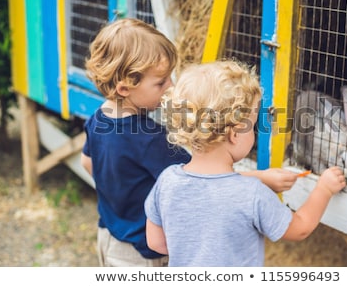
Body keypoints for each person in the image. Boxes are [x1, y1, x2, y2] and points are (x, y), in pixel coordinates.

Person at [80, 18, 298, 267]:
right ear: (124, 88)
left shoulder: (99, 119)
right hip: (146, 250)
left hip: (109, 237)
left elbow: (87, 163)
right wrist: (263, 178)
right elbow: (205, 181)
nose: (171, 86)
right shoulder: (149, 139)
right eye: (160, 82)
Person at [144, 60, 346, 266]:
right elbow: (300, 228)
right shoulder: (252, 194)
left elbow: (155, 242)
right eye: (251, 126)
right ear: (234, 134)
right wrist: (324, 188)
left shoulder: (167, 180)